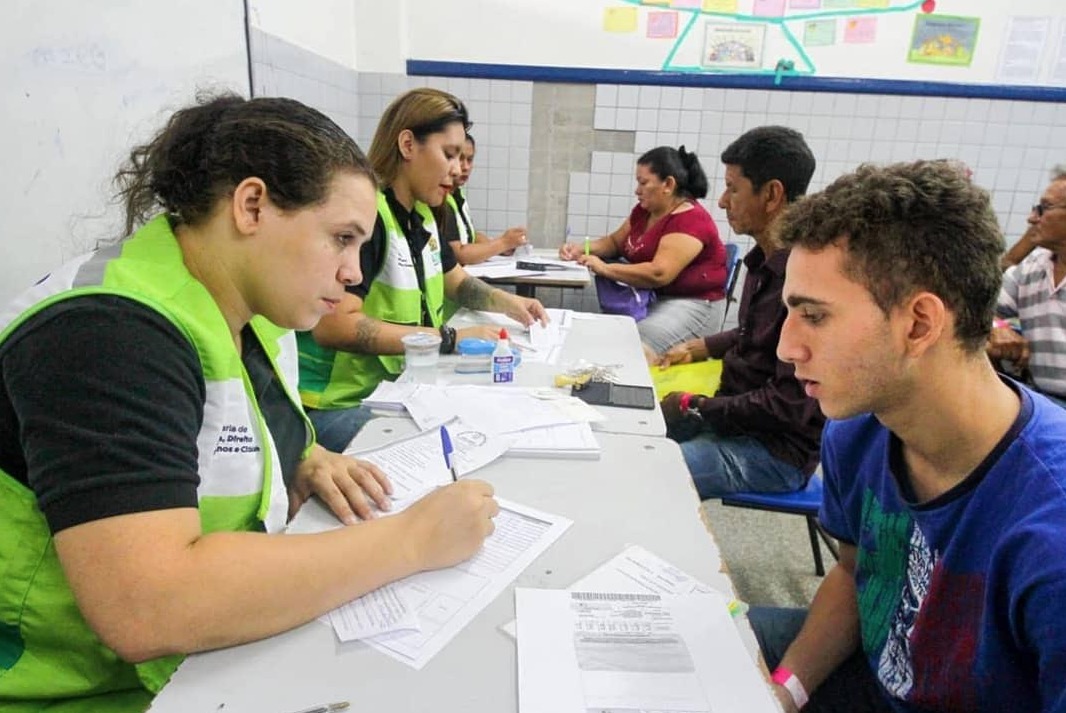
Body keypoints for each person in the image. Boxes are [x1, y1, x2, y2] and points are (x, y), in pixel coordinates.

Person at [0, 95, 500, 712]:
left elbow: (231, 421)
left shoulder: (246, 307)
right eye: (341, 239)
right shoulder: (106, 334)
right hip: (79, 694)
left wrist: (304, 452)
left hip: (199, 672)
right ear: (252, 205)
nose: (352, 273)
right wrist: (414, 541)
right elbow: (149, 605)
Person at [755, 159, 1066, 713]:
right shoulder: (855, 432)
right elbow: (855, 575)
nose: (787, 348)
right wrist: (787, 691)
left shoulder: (1049, 534)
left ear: (920, 324)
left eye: (814, 316)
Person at [297, 88, 547, 452]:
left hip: (397, 389)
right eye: (449, 154)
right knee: (448, 448)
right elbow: (334, 325)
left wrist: (509, 303)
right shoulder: (370, 220)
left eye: (462, 158)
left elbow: (456, 281)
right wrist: (448, 340)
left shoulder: (424, 216)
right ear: (408, 144)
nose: (458, 169)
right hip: (343, 402)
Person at [657, 127, 824, 498]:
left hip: (773, 452)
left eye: (733, 188)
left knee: (655, 475)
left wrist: (697, 405)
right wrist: (703, 345)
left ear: (771, 195)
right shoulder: (764, 263)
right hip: (734, 422)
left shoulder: (805, 284)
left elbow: (786, 404)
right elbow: (757, 333)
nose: (721, 201)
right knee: (635, 436)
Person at [558, 145, 727, 358]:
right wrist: (582, 248)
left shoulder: (691, 220)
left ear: (668, 184)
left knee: (633, 346)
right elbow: (614, 242)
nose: (637, 190)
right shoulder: (644, 211)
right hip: (655, 300)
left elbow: (659, 273)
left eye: (643, 182)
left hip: (694, 304)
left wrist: (605, 268)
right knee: (609, 336)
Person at [987, 167, 1066, 407]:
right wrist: (998, 327)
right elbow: (980, 311)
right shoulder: (1031, 266)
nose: (1032, 218)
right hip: (1044, 400)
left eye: (1044, 208)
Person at [446, 132, 529, 264]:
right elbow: (458, 254)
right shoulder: (441, 201)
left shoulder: (458, 195)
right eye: (460, 159)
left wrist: (499, 245)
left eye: (470, 159)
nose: (465, 167)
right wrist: (503, 243)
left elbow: (470, 236)